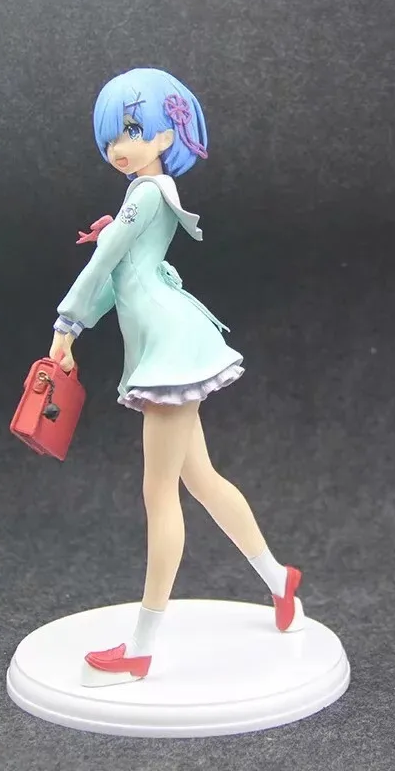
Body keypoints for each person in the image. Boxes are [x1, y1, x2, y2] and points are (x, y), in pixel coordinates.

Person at [48, 68, 302, 687]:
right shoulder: (147, 192)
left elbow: (105, 265)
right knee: (200, 478)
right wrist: (80, 319)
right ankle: (280, 579)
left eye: (132, 130)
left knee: (160, 492)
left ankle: (140, 647)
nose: (119, 146)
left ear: (167, 134)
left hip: (167, 347)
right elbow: (118, 275)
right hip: (168, 338)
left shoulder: (144, 195)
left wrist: (67, 324)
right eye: (111, 136)